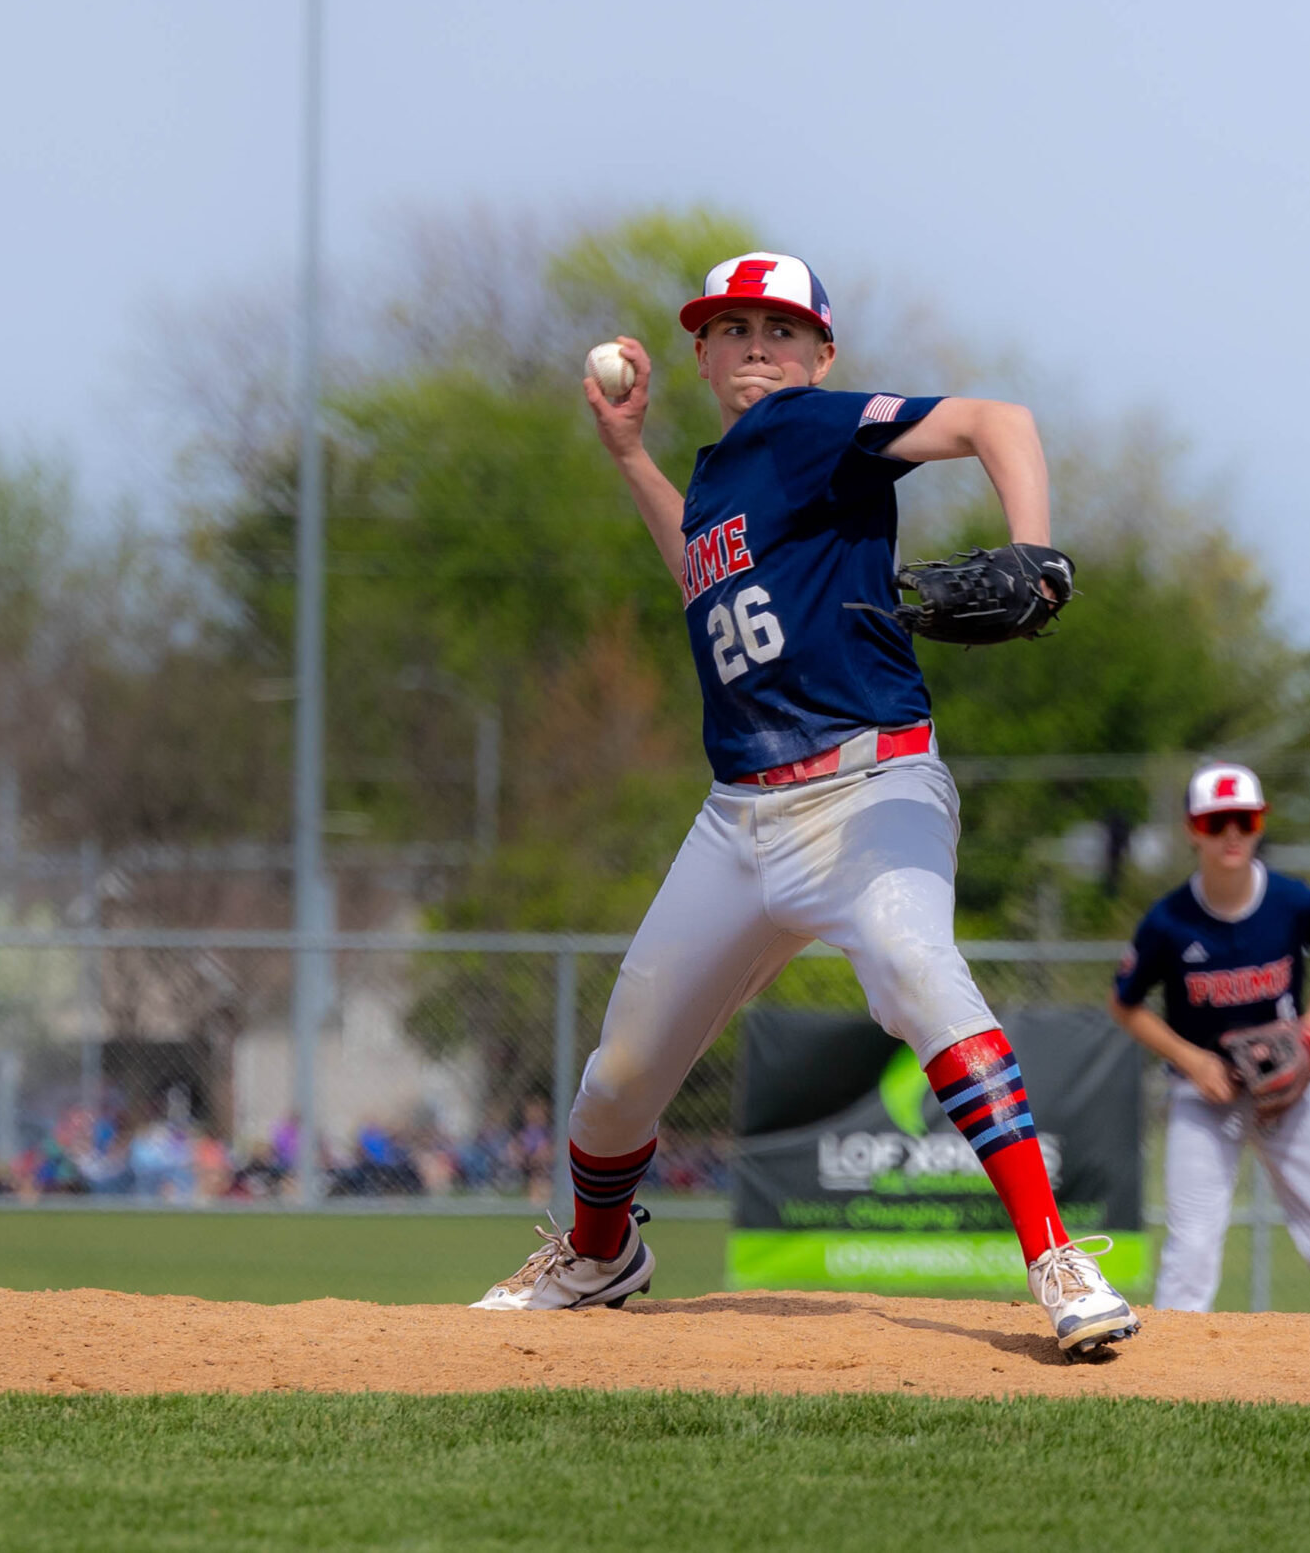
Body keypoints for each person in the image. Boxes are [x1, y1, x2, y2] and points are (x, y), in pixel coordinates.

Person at [471, 251, 1138, 1354]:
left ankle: (1058, 1263)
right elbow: (700, 563)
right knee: (617, 1080)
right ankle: (599, 1255)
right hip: (739, 819)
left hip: (872, 785)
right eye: (732, 329)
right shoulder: (730, 474)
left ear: (822, 354)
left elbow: (995, 419)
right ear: (700, 353)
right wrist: (630, 455)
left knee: (920, 973)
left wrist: (1035, 553)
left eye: (781, 330)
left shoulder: (816, 424)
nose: (757, 347)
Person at [1110, 762, 1310, 1314]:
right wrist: (1193, 1061)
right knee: (1188, 1266)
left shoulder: (1293, 902)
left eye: (1243, 819)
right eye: (1216, 822)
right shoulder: (1169, 922)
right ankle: (1171, 1390)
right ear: (1192, 830)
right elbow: (1125, 1003)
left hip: (1287, 1091)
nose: (1231, 833)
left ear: (1259, 824)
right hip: (1204, 1096)